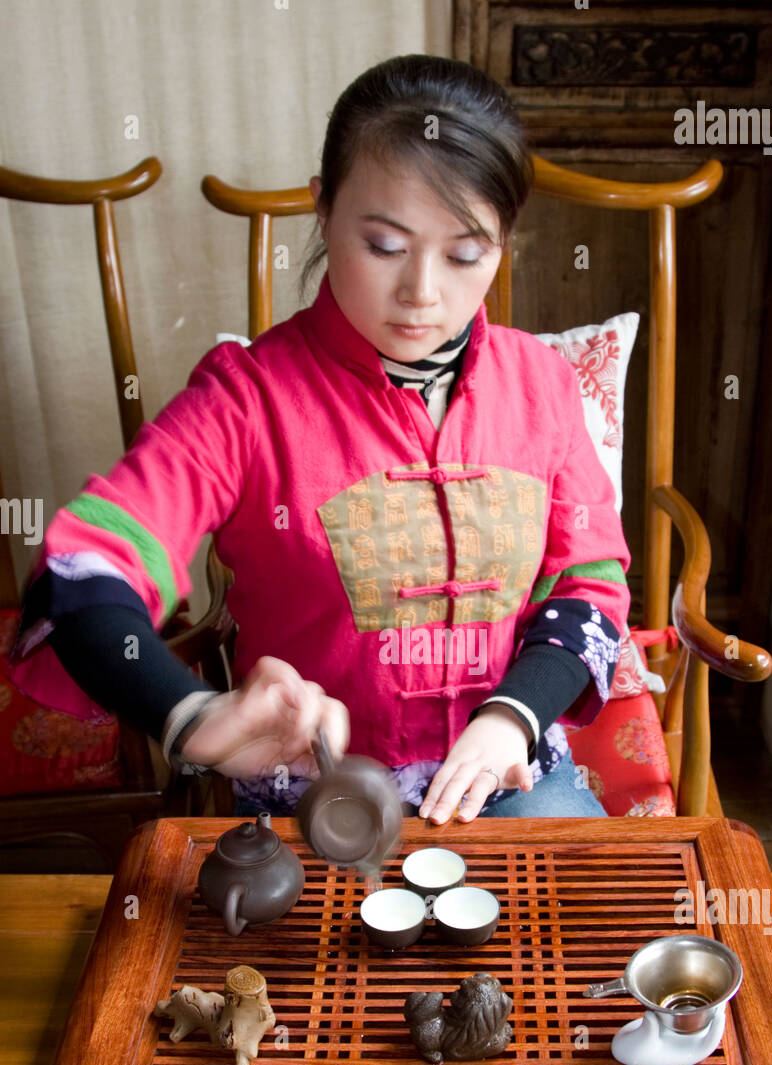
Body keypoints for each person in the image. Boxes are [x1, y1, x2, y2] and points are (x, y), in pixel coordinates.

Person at [7, 54, 631, 826]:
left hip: (510, 776)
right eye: (383, 244)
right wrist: (191, 715)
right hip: (319, 794)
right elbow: (80, 569)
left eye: (466, 254)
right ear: (322, 208)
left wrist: (514, 715)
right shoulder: (248, 399)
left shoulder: (541, 384)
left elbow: (591, 584)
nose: (423, 294)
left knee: (596, 937)